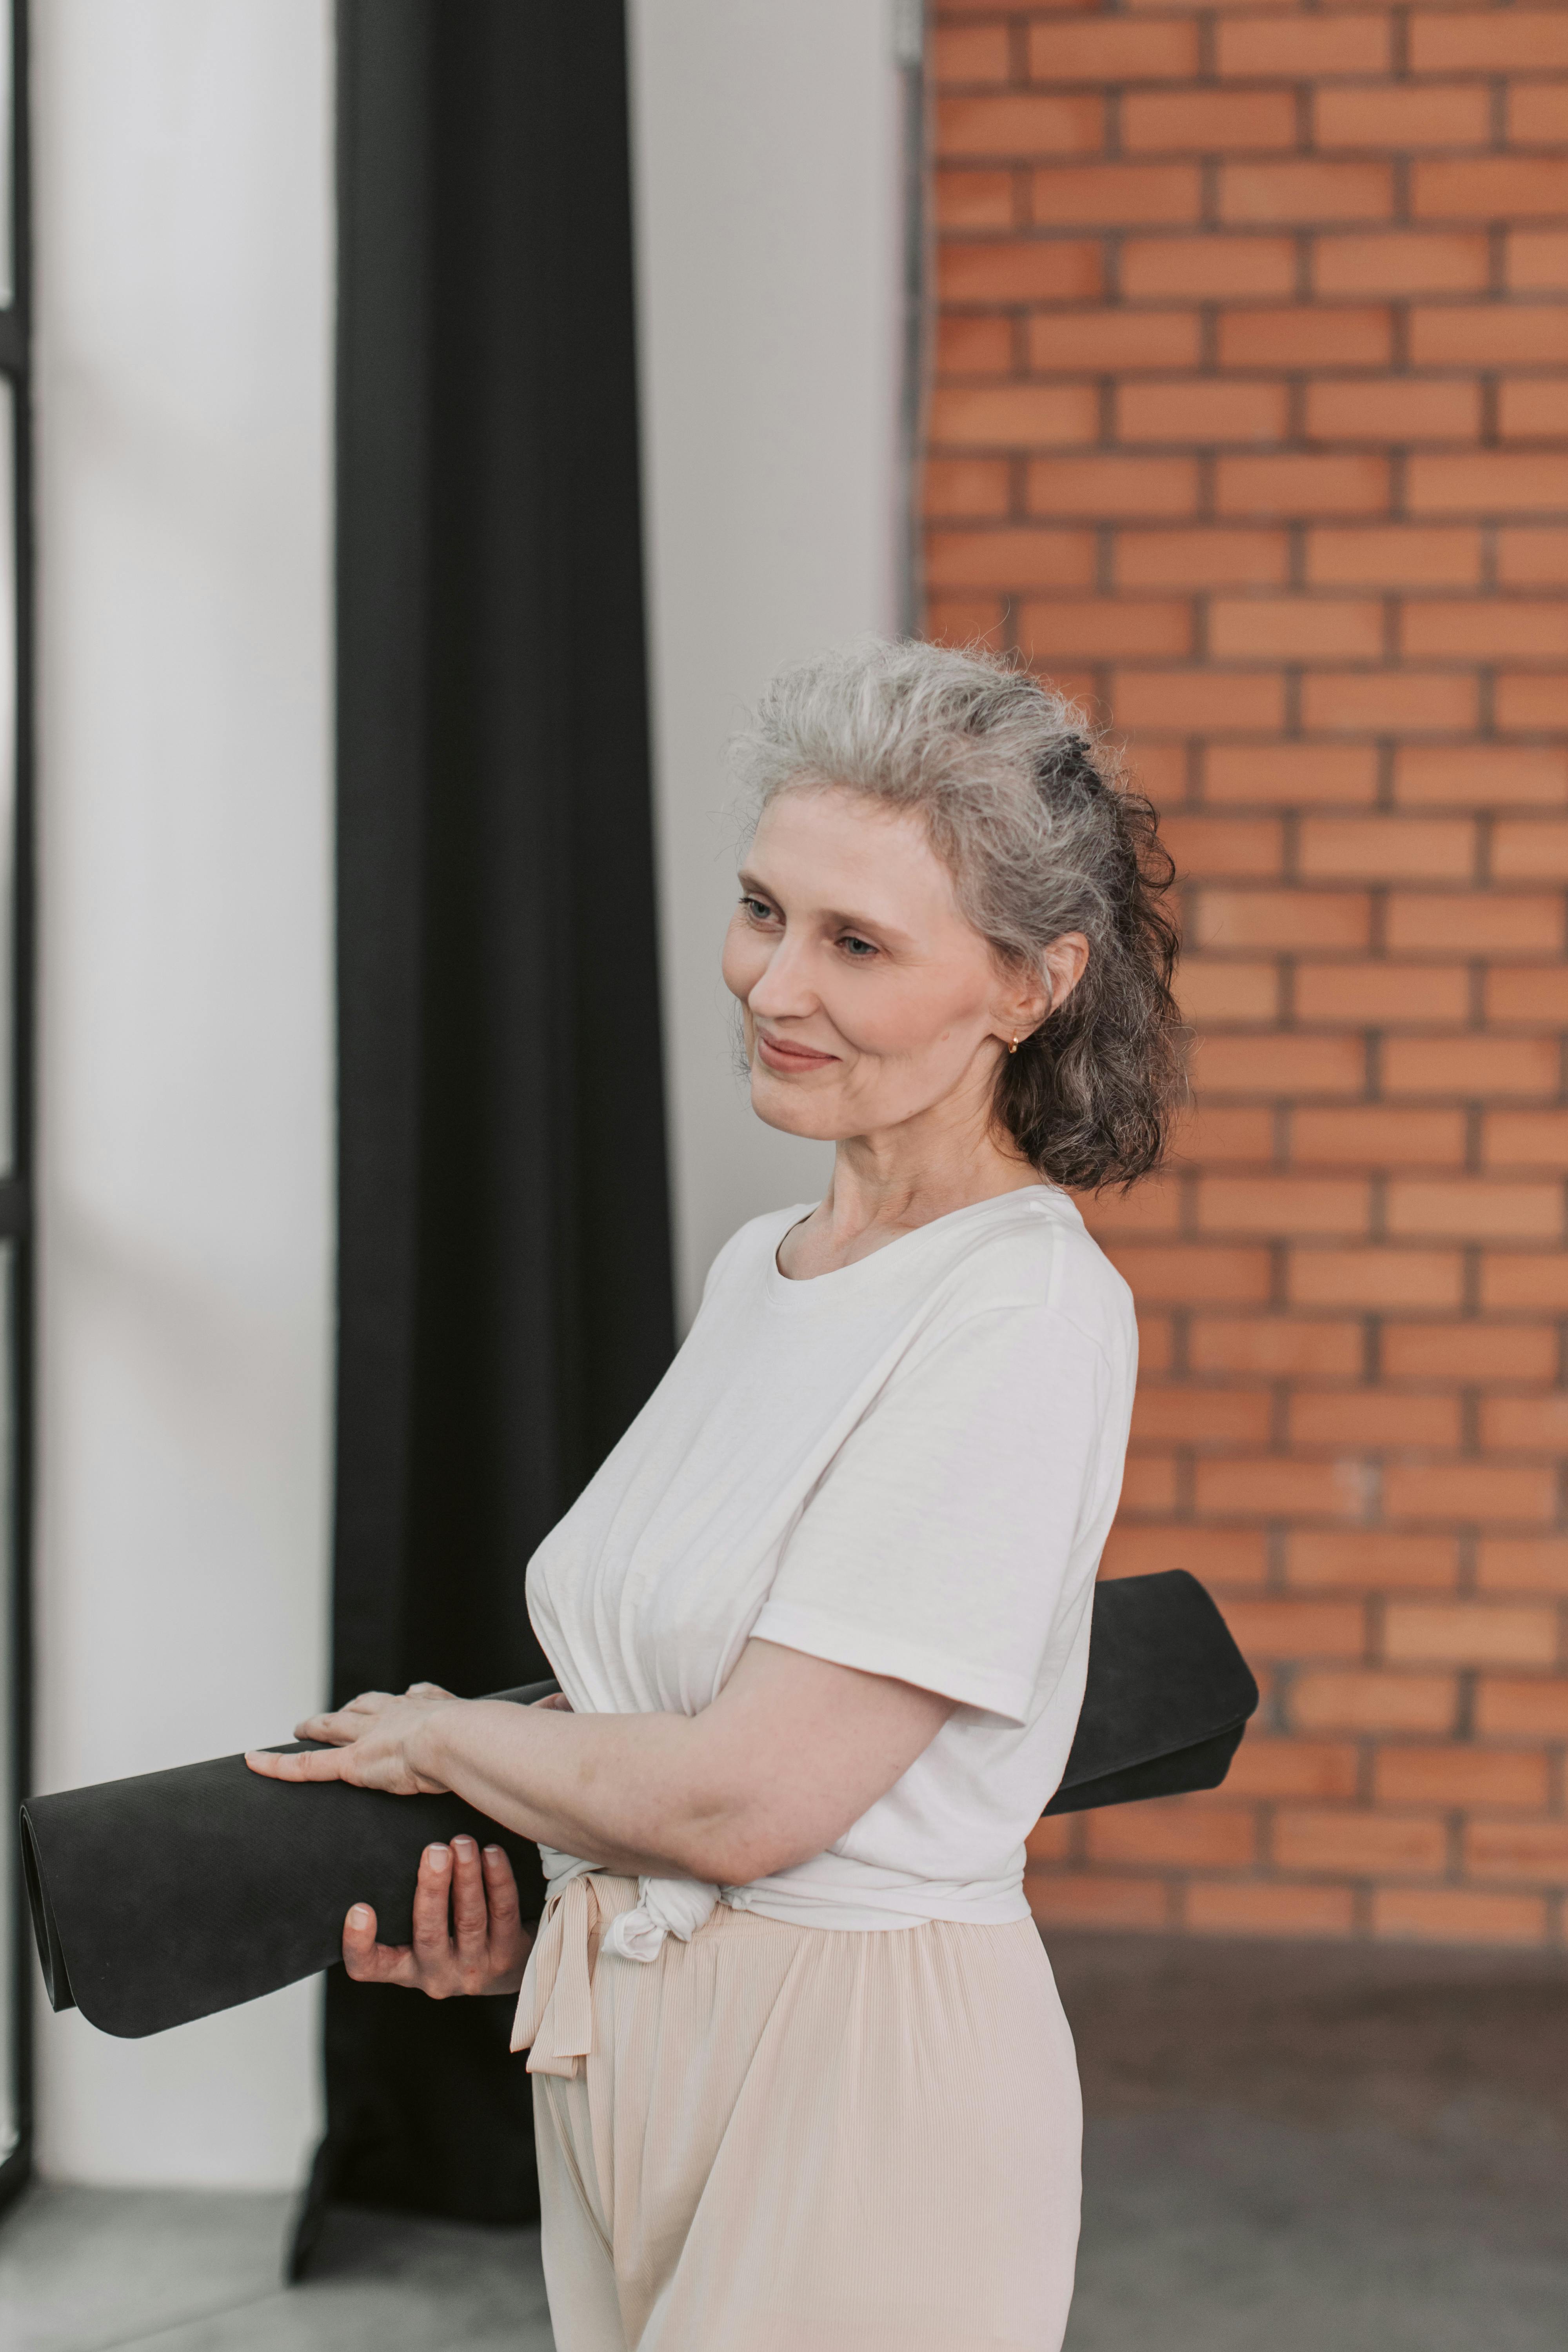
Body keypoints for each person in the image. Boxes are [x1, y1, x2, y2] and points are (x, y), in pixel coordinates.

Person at [248, 637, 1185, 2351]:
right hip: (626, 2039)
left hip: (858, 2082)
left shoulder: (1022, 1309)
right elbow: (672, 1714)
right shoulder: (768, 1266)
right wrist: (546, 1898)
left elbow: (755, 1798)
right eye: (763, 909)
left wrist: (442, 1739)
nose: (772, 984)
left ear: (1031, 983)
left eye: (856, 943)